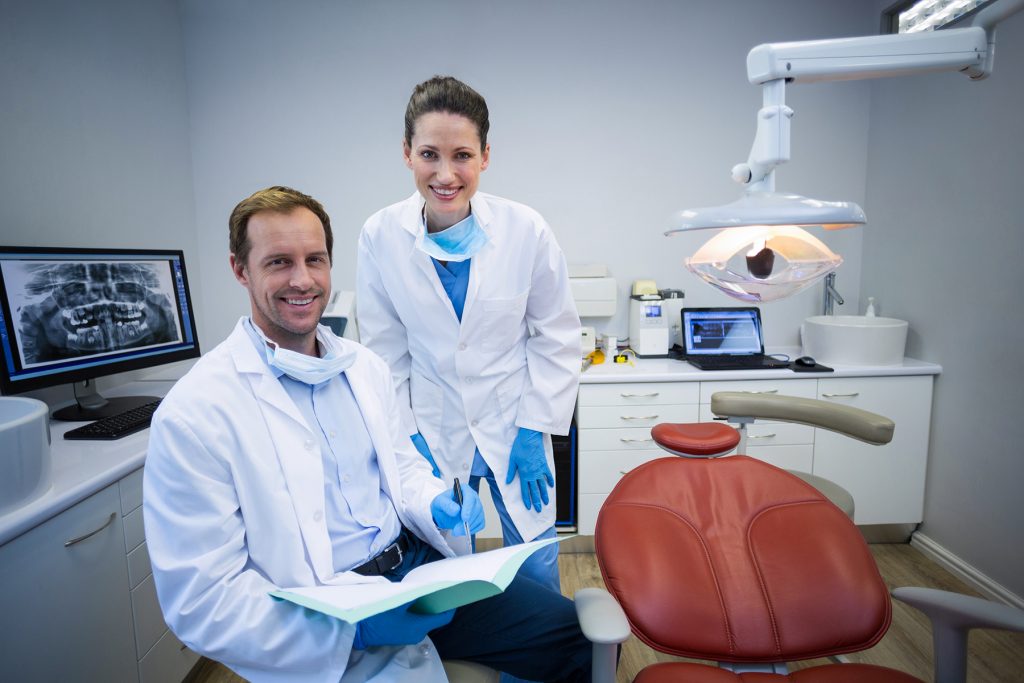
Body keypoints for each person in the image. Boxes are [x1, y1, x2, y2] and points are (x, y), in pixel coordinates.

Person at [143, 186, 591, 683]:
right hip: (326, 609)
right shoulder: (195, 413)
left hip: (418, 575)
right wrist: (350, 632)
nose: (303, 280)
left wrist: (433, 499)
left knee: (577, 639)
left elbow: (400, 468)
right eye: (278, 263)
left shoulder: (363, 368)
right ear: (239, 269)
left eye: (316, 259)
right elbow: (202, 603)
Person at [357, 76, 580, 593]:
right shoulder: (379, 236)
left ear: (485, 156)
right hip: (433, 430)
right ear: (407, 154)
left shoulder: (526, 230)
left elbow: (557, 336)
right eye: (429, 154)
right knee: (446, 577)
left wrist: (534, 428)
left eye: (461, 155)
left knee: (537, 571)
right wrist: (409, 441)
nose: (445, 173)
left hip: (514, 424)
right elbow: (384, 354)